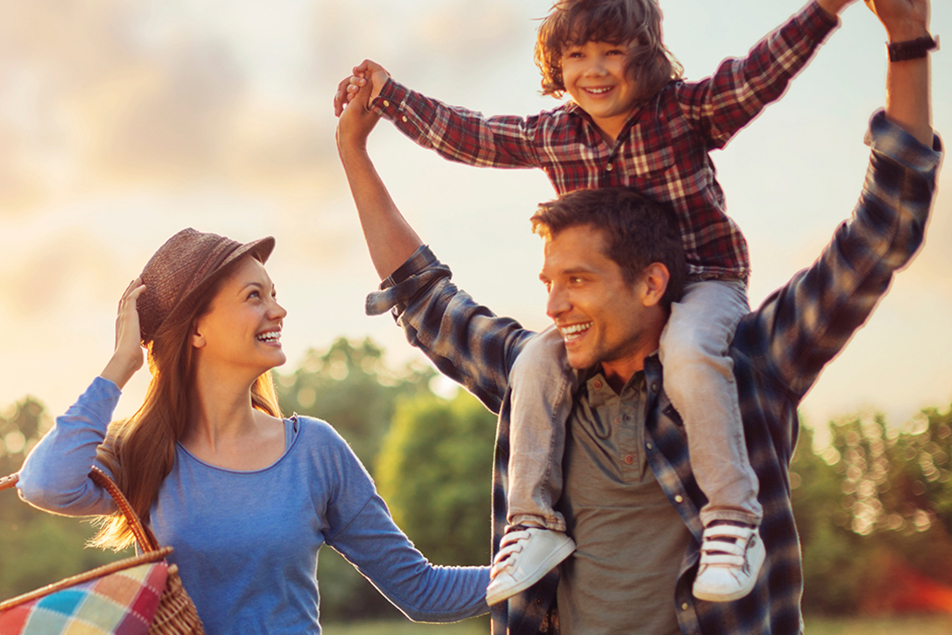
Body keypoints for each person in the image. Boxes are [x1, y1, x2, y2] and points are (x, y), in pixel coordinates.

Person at [336, 0, 940, 631]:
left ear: (650, 283)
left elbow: (881, 229)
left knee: (691, 356)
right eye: (549, 281)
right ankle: (531, 525)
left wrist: (905, 41)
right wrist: (356, 146)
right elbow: (424, 296)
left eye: (577, 281)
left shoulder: (751, 367)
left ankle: (731, 521)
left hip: (712, 294)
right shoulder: (537, 379)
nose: (553, 305)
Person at [16, 228, 490, 634]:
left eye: (274, 293)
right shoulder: (142, 451)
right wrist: (121, 364)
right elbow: (43, 484)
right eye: (254, 297)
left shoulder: (315, 451)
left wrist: (534, 567)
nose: (278, 311)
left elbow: (421, 590)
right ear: (196, 329)